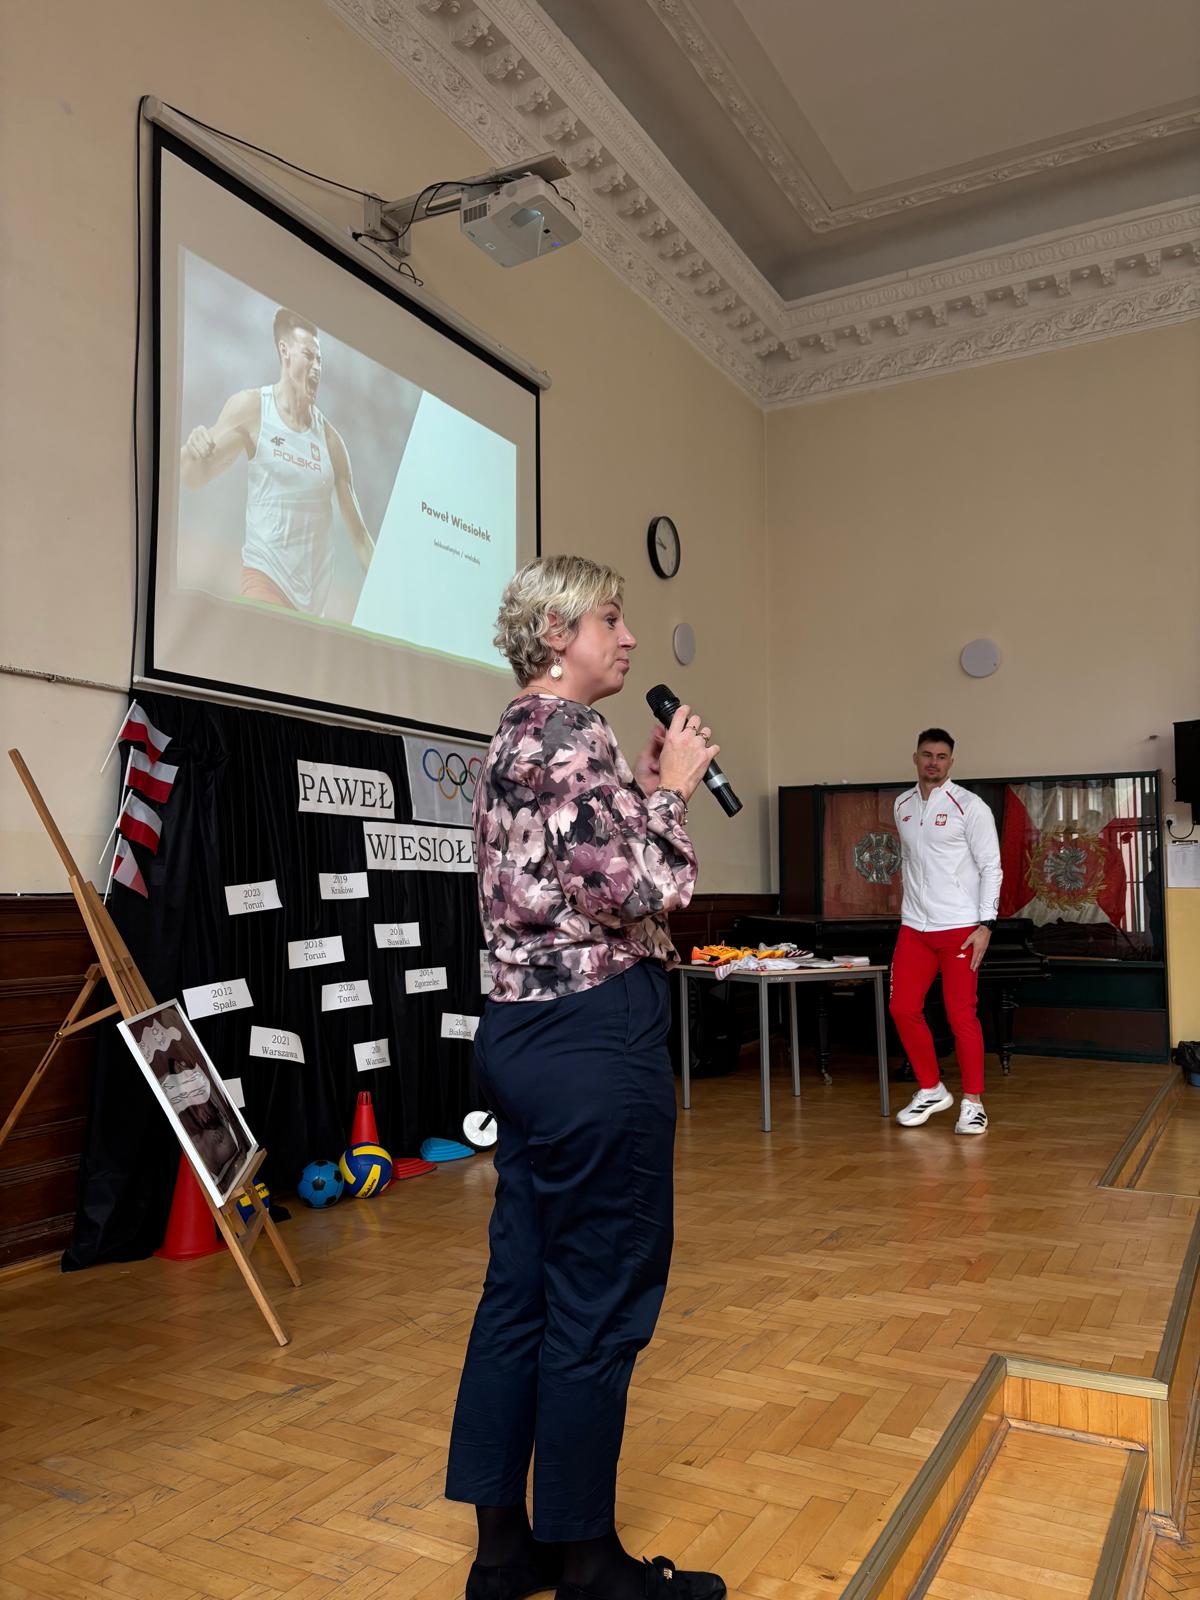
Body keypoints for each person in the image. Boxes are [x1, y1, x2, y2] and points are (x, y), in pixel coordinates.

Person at [446, 555, 726, 1600]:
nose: (630, 637)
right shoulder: (570, 733)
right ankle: (591, 1565)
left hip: (524, 1036)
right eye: (613, 618)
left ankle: (503, 1553)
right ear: (559, 634)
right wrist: (674, 792)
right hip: (592, 1041)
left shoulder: (517, 732)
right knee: (598, 1296)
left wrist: (639, 794)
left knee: (519, 1292)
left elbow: (574, 873)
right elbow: (637, 888)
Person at [180, 307, 375, 614]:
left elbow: (361, 538)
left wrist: (386, 591)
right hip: (264, 579)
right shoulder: (252, 408)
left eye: (320, 360)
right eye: (308, 356)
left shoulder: (331, 442)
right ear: (285, 352)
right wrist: (191, 450)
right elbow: (194, 476)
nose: (316, 367)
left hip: (312, 605)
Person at [890, 728, 1002, 1136]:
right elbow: (911, 861)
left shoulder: (970, 806)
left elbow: (991, 867)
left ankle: (973, 1102)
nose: (933, 762)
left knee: (960, 1015)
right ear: (915, 758)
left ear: (951, 762)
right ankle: (931, 1089)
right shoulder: (901, 804)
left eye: (941, 756)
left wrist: (986, 924)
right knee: (902, 1008)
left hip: (959, 928)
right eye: (927, 755)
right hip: (914, 927)